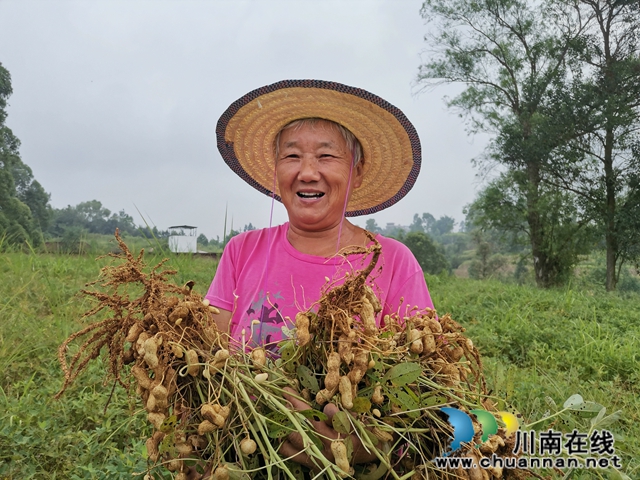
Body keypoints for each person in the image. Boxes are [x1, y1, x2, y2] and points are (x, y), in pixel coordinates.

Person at [201, 79, 434, 475]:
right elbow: (208, 361)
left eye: (327, 157)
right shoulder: (242, 251)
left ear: (356, 173)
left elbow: (423, 383)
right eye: (292, 156)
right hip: (248, 455)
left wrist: (363, 443)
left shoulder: (393, 260)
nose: (308, 172)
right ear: (276, 172)